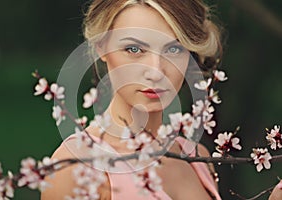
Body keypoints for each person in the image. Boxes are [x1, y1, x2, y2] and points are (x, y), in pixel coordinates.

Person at [41, 0, 223, 199]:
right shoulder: (77, 167)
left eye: (173, 50)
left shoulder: (196, 157)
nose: (155, 72)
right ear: (102, 47)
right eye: (134, 49)